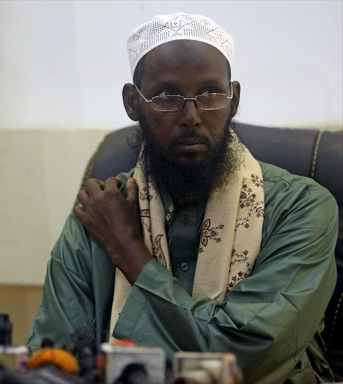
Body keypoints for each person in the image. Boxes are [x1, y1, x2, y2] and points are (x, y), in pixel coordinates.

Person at [26, 13, 338, 384]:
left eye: (210, 93)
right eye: (167, 96)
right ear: (132, 103)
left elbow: (243, 359)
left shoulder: (301, 208)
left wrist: (130, 252)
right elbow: (54, 360)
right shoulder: (101, 211)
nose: (191, 116)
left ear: (233, 99)